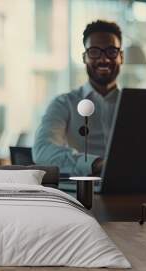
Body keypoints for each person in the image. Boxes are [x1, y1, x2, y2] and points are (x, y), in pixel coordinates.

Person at [33, 20, 124, 176]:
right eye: (94, 52)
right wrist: (95, 164)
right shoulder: (63, 104)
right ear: (84, 58)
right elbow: (43, 151)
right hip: (84, 191)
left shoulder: (138, 106)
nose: (104, 59)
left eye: (111, 51)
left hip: (134, 190)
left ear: (121, 57)